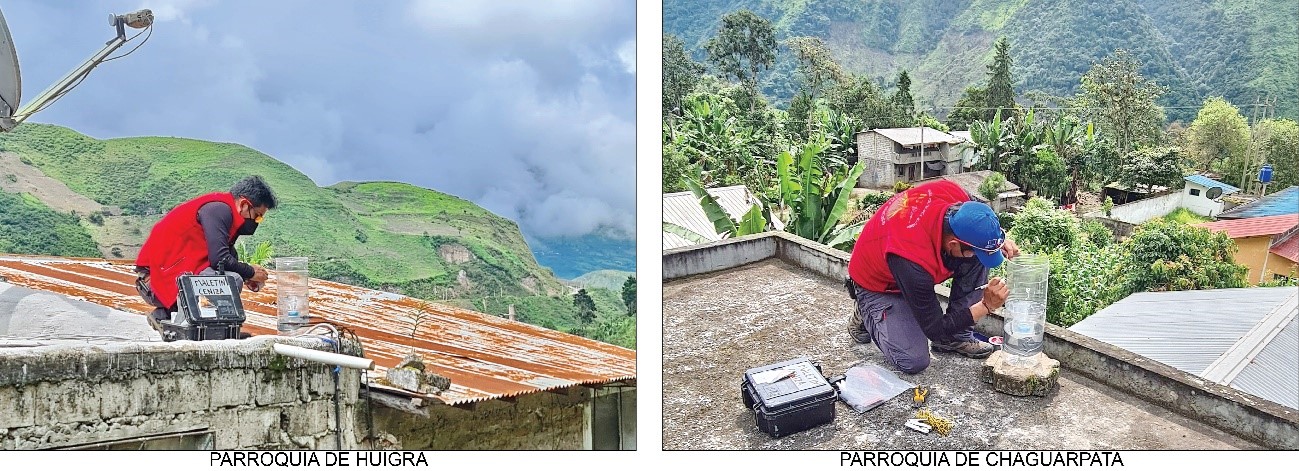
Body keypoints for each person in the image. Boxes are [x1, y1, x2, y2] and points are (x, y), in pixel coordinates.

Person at [845, 179, 1020, 374]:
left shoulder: (956, 195)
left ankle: (955, 338)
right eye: (970, 249)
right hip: (879, 283)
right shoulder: (911, 257)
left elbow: (979, 220)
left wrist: (994, 241)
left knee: (977, 257)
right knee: (913, 361)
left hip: (907, 264)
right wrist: (985, 306)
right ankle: (866, 309)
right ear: (953, 244)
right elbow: (934, 328)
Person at [134, 176, 277, 333]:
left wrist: (247, 276)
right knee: (230, 281)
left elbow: (227, 256)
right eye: (257, 216)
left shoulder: (223, 211)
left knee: (231, 277)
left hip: (166, 277)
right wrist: (250, 271)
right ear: (244, 204)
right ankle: (213, 331)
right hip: (153, 282)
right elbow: (220, 259)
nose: (256, 221)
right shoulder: (218, 210)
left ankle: (167, 316)